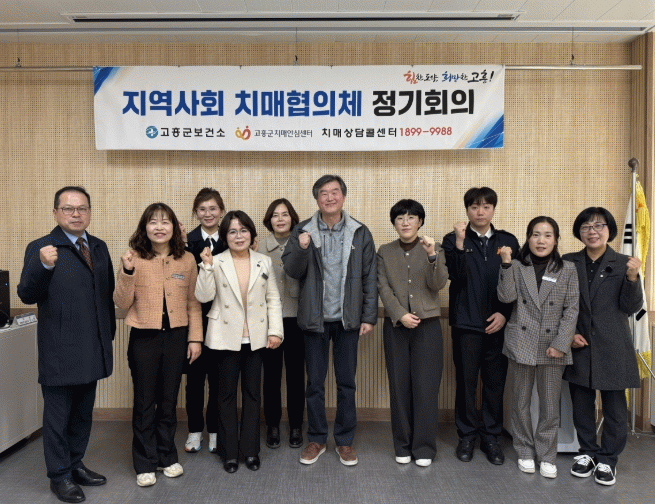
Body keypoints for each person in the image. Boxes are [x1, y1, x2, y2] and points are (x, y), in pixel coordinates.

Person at [17, 186, 115, 504]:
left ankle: (75, 465)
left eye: (82, 208)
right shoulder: (41, 247)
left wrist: (108, 337)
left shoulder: (98, 247)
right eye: (68, 208)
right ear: (56, 212)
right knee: (58, 418)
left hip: (92, 347)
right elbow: (26, 294)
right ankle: (59, 476)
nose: (76, 214)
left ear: (89, 212)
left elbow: (106, 296)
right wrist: (43, 266)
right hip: (59, 350)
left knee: (83, 415)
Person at [282, 174, 377, 467]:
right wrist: (301, 247)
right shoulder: (303, 230)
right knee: (315, 384)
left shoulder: (360, 232)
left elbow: (369, 276)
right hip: (315, 320)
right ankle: (317, 438)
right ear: (317, 199)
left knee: (347, 383)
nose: (330, 197)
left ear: (343, 197)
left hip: (348, 321)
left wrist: (368, 316)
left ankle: (345, 441)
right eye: (323, 193)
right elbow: (292, 271)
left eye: (335, 192)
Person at [113, 203, 203, 487]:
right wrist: (127, 272)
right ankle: (145, 462)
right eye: (153, 222)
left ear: (174, 228)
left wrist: (195, 338)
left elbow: (193, 303)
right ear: (145, 228)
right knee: (144, 402)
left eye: (165, 222)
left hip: (176, 337)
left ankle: (167, 456)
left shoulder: (186, 259)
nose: (159, 227)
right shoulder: (133, 257)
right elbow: (121, 304)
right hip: (144, 338)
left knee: (168, 401)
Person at [195, 210, 283, 473]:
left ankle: (251, 450)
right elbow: (203, 296)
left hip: (255, 338)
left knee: (253, 395)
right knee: (225, 396)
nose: (239, 236)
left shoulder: (263, 261)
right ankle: (229, 452)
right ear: (225, 236)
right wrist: (206, 267)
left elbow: (273, 299)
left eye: (243, 230)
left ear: (251, 234)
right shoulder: (215, 261)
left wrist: (275, 331)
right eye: (232, 231)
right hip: (224, 338)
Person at [563, 207, 643, 486]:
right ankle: (587, 452)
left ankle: (608, 459)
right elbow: (558, 302)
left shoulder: (624, 263)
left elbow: (631, 307)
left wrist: (632, 278)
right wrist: (569, 334)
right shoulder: (568, 262)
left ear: (609, 230)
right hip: (579, 343)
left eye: (599, 226)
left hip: (613, 345)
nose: (592, 231)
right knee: (581, 405)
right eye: (586, 226)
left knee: (615, 409)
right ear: (579, 232)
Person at [442, 186, 519, 465]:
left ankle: (491, 437)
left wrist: (504, 314)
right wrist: (460, 243)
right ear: (467, 210)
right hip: (466, 324)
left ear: (493, 209)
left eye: (486, 206)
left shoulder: (507, 241)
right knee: (466, 383)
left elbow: (516, 282)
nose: (480, 212)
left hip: (498, 324)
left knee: (494, 385)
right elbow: (455, 276)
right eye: (474, 207)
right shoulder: (453, 240)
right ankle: (466, 436)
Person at [497, 216, 579, 478]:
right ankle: (524, 450)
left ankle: (547, 455)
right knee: (520, 402)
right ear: (528, 238)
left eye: (547, 235)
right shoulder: (517, 266)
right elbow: (506, 297)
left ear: (555, 240)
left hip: (552, 346)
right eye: (535, 234)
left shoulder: (567, 269)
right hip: (521, 343)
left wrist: (561, 343)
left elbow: (571, 309)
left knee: (550, 406)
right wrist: (506, 264)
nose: (541, 240)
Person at [377, 199, 448, 467]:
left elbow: (438, 283)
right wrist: (400, 314)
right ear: (394, 223)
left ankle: (425, 447)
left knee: (426, 388)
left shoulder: (434, 248)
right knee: (399, 387)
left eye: (411, 217)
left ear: (420, 221)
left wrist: (432, 257)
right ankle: (402, 445)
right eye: (400, 218)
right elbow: (383, 287)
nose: (405, 222)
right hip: (396, 326)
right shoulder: (384, 251)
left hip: (428, 326)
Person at [182, 188, 227, 454]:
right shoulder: (186, 242)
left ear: (221, 211)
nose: (208, 214)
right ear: (196, 212)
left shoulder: (232, 239)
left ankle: (216, 430)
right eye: (202, 209)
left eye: (212, 208)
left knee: (220, 381)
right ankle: (195, 430)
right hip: (195, 322)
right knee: (195, 382)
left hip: (224, 321)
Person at [260, 198, 305, 449]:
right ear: (269, 220)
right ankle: (273, 425)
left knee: (297, 376)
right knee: (271, 377)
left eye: (285, 214)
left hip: (297, 319)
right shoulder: (258, 248)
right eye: (275, 215)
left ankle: (296, 425)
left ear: (292, 218)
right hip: (269, 322)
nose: (280, 219)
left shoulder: (302, 244)